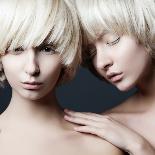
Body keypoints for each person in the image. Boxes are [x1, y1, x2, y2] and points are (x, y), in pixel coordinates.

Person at [0, 0, 123, 154]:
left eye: (47, 49)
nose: (32, 68)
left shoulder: (101, 147)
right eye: (17, 49)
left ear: (66, 54)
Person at [64, 0, 155, 154]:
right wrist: (139, 148)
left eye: (112, 40)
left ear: (145, 25)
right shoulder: (111, 128)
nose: (101, 62)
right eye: (91, 53)